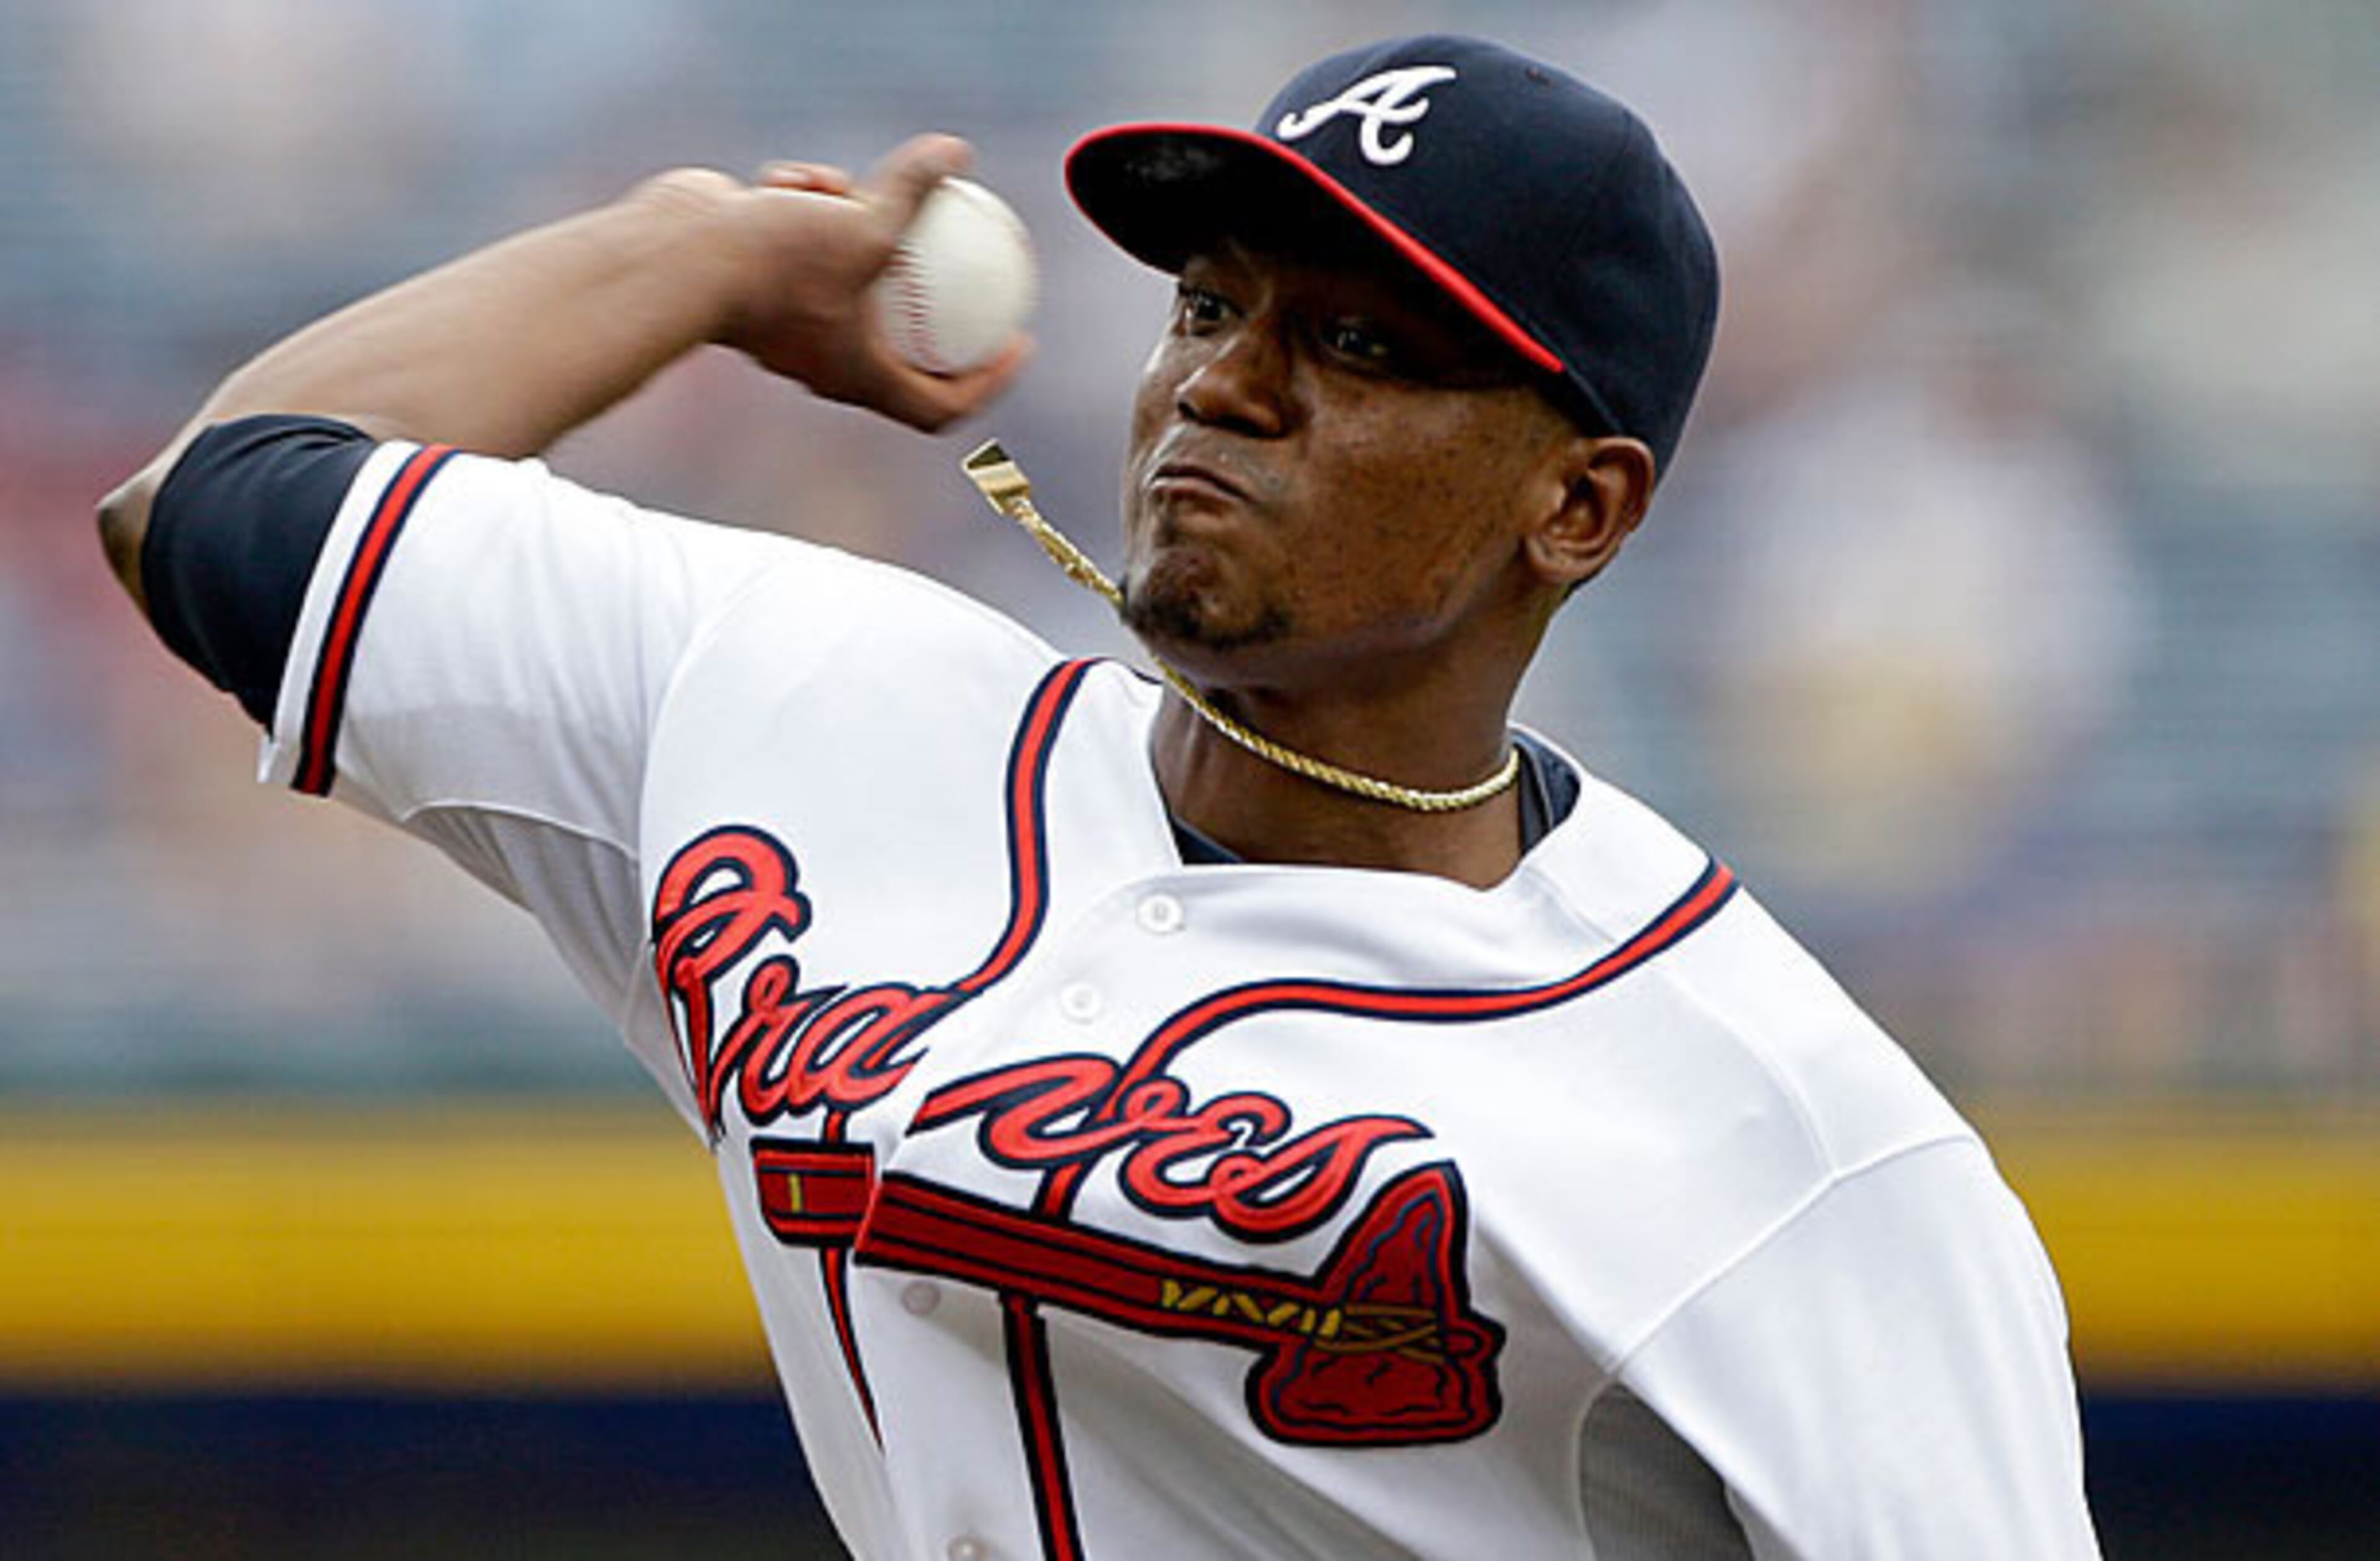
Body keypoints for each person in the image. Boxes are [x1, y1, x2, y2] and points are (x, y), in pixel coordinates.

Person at [97, 33, 2100, 1561]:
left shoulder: (1804, 1160)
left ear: (1577, 507)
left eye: (1360, 343)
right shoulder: (791, 696)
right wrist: (696, 253)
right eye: (1213, 306)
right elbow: (216, 501)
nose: (1228, 384)